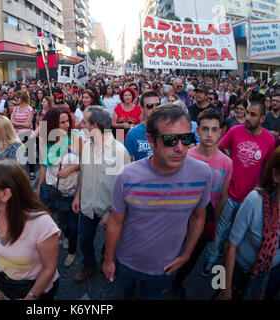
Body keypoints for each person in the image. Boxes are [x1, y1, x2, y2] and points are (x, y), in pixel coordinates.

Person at [103, 103, 212, 300]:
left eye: (186, 139)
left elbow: (199, 217)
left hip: (166, 267)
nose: (180, 148)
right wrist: (109, 259)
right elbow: (116, 222)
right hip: (127, 263)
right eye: (170, 140)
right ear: (151, 140)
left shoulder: (203, 174)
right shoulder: (127, 176)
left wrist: (186, 255)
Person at [202, 100, 276, 276]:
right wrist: (228, 163)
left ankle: (227, 257)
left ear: (263, 118)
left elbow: (267, 167)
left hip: (250, 198)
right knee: (219, 228)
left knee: (236, 232)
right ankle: (211, 259)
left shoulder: (269, 139)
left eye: (253, 115)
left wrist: (261, 190)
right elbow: (220, 147)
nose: (247, 117)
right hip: (229, 193)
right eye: (247, 113)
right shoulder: (235, 131)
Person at [170, 108, 232, 299]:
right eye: (205, 129)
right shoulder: (185, 155)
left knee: (191, 257)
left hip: (204, 222)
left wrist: (213, 223)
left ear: (220, 132)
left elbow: (222, 196)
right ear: (197, 131)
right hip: (179, 219)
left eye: (214, 130)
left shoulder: (226, 163)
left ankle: (177, 282)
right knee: (170, 252)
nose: (209, 135)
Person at [0, 159, 60, 300]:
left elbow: (49, 269)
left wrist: (30, 297)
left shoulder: (42, 224)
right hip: (2, 283)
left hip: (33, 288)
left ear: (5, 194)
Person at [72, 106, 130, 282]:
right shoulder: (87, 146)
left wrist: (111, 212)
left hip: (110, 212)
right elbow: (83, 172)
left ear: (95, 126)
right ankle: (90, 266)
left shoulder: (119, 151)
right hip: (87, 206)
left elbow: (126, 188)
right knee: (85, 241)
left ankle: (108, 262)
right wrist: (77, 196)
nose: (80, 125)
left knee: (109, 244)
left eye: (84, 122)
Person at [217, 147, 280, 300]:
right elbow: (232, 245)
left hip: (269, 279)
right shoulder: (255, 200)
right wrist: (226, 289)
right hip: (238, 273)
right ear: (276, 175)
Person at [38, 106, 82, 268]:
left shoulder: (76, 137)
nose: (65, 125)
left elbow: (85, 163)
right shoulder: (46, 140)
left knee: (72, 224)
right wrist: (39, 188)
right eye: (61, 122)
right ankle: (66, 235)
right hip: (53, 189)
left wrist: (72, 168)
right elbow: (43, 165)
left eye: (66, 121)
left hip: (71, 190)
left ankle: (72, 251)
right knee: (60, 220)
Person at [125, 91, 160, 162]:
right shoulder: (133, 133)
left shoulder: (169, 130)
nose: (154, 109)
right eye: (150, 106)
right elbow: (128, 162)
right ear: (142, 108)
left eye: (158, 105)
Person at [10, 90, 35, 179]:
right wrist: (22, 124)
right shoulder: (15, 108)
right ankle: (20, 171)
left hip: (27, 134)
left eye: (18, 97)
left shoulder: (29, 109)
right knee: (18, 153)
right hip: (16, 134)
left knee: (30, 153)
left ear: (23, 98)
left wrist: (16, 123)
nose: (16, 99)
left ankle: (32, 171)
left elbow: (28, 124)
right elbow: (11, 121)